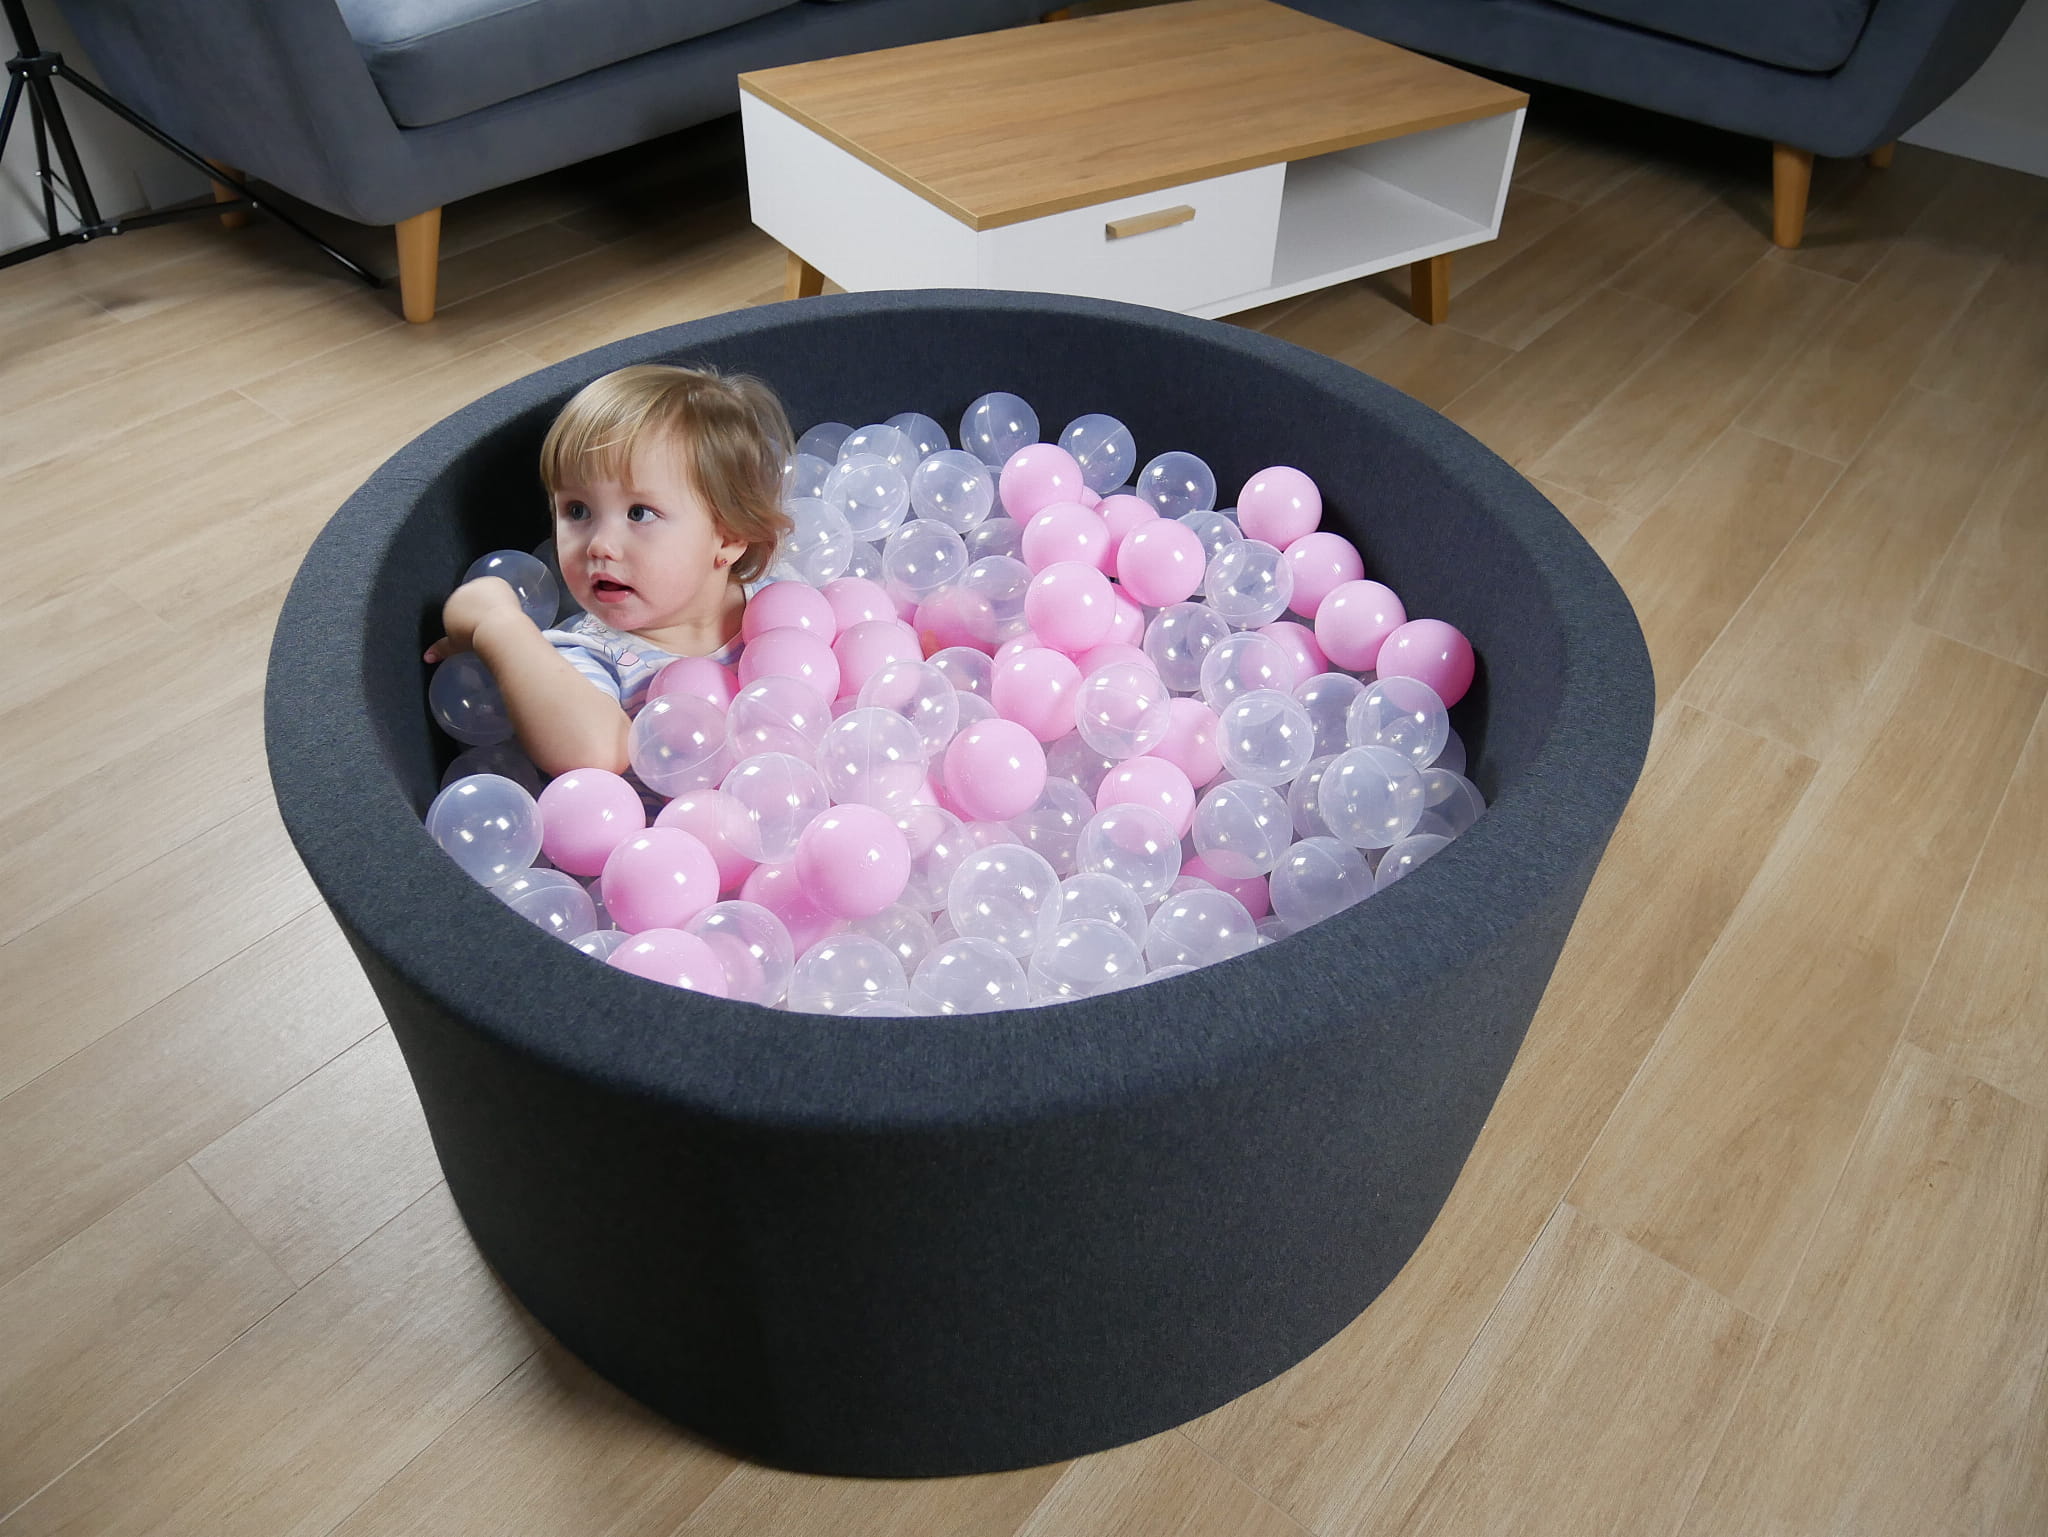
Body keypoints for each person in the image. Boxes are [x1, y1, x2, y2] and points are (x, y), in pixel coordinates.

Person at [426, 363, 792, 777]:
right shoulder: (584, 656)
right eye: (577, 510)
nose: (598, 544)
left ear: (727, 537)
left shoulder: (781, 601)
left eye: (639, 513)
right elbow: (594, 753)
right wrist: (499, 625)